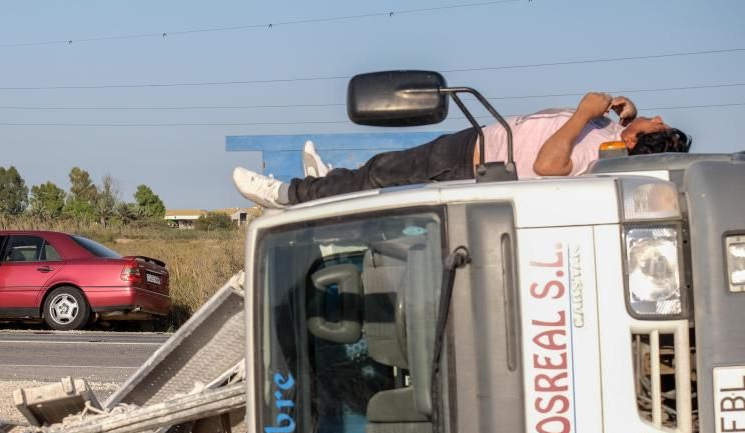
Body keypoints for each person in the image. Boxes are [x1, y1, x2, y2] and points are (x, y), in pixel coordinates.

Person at [233, 92, 691, 209]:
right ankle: (332, 184)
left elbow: (548, 164)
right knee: (379, 173)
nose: (658, 117)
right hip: (478, 146)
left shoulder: (597, 157)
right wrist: (629, 115)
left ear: (637, 142)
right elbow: (626, 137)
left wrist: (580, 113)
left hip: (471, 164)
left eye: (659, 123)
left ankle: (288, 194)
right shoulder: (614, 138)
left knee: (380, 175)